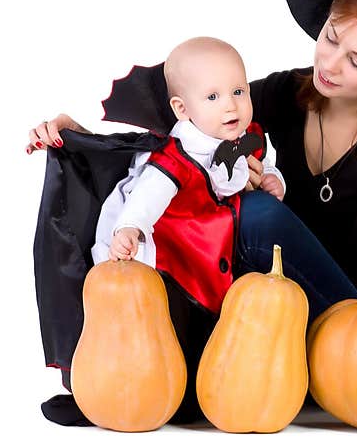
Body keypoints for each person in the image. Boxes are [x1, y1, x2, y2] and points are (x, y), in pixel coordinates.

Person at [28, 0, 357, 426]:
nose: (330, 65)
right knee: (171, 200)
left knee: (252, 213)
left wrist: (256, 193)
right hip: (275, 300)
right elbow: (184, 120)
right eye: (332, 38)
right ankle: (158, 373)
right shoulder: (287, 94)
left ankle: (243, 370)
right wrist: (80, 138)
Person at [93, 36, 285, 316]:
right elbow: (150, 194)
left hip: (212, 234)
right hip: (173, 238)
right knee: (166, 303)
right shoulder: (178, 155)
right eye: (212, 97)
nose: (230, 106)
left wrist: (273, 178)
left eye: (239, 92)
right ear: (182, 109)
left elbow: (263, 163)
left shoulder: (247, 137)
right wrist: (130, 227)